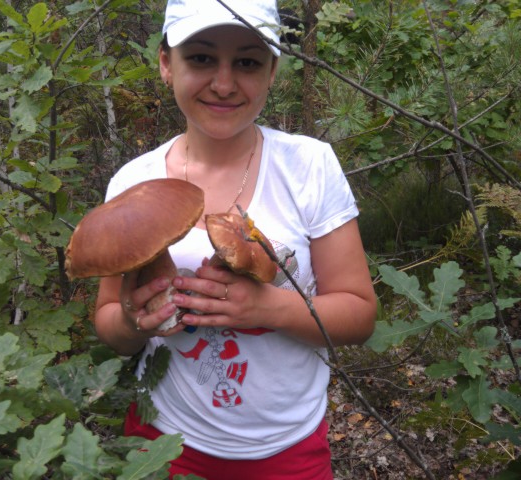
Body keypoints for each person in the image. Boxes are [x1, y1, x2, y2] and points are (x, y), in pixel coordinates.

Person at [93, 0, 377, 478]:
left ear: (272, 72)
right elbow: (109, 324)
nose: (224, 84)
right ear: (166, 63)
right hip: (162, 441)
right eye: (201, 58)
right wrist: (133, 322)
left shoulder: (308, 166)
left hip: (286, 449)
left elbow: (360, 315)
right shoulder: (133, 182)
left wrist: (268, 308)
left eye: (247, 62)